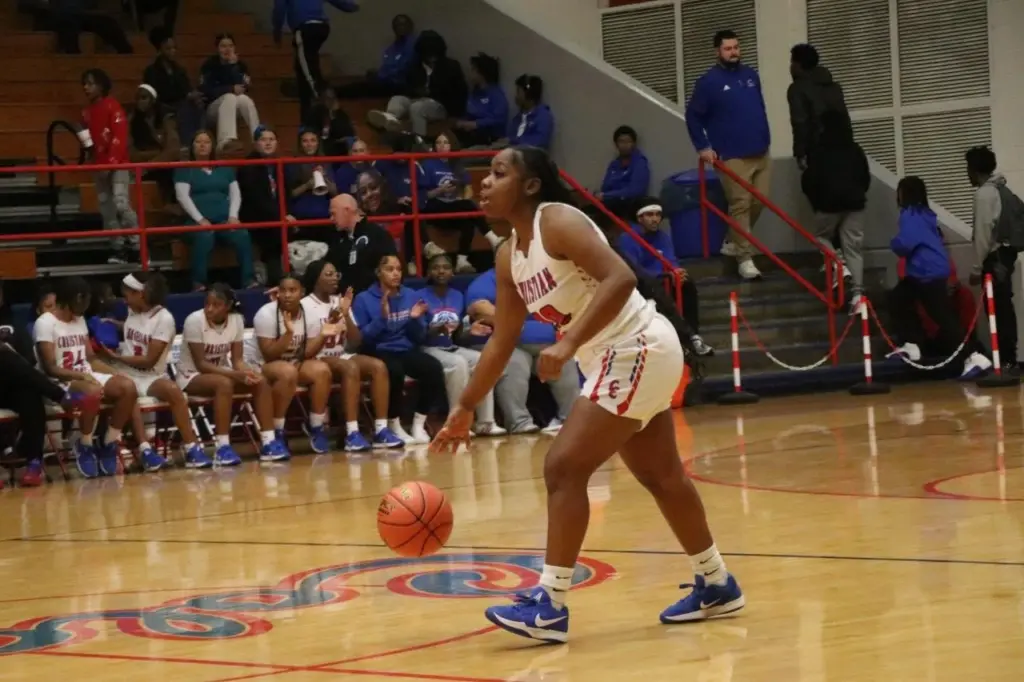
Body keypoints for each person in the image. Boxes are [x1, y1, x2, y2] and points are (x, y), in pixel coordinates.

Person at [431, 146, 744, 642]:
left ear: (530, 185)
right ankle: (717, 582)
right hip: (612, 356)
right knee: (662, 476)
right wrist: (465, 406)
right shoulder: (510, 255)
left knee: (563, 468)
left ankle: (551, 605)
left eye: (498, 173)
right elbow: (502, 339)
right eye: (486, 174)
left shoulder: (557, 221)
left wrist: (568, 341)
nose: (484, 182)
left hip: (636, 344)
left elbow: (621, 277)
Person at [96, 272, 210, 470]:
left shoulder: (164, 319)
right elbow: (137, 329)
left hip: (150, 374)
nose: (124, 300)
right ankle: (145, 450)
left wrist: (116, 357)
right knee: (128, 390)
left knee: (174, 392)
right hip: (126, 372)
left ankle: (192, 448)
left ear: (141, 294)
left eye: (127, 295)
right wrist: (116, 325)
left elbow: (149, 361)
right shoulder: (133, 310)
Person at [34, 277, 141, 479]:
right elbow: (50, 368)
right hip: (59, 382)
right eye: (83, 300)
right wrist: (81, 375)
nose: (85, 306)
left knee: (128, 387)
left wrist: (114, 373)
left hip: (84, 374)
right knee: (92, 391)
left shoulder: (80, 320)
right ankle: (84, 444)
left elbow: (90, 359)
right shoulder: (45, 322)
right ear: (71, 298)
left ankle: (109, 442)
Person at [685, 30, 771, 281]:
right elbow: (693, 116)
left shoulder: (751, 75)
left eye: (736, 47)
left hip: (761, 151)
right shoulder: (708, 82)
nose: (734, 52)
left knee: (760, 201)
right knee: (740, 204)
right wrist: (703, 146)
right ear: (717, 52)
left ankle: (733, 240)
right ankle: (745, 259)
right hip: (732, 154)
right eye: (728, 48)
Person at [888, 176, 991, 378]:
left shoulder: (909, 214)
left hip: (926, 272)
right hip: (930, 270)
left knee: (942, 317)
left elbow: (906, 243)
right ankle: (912, 343)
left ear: (904, 194)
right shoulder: (926, 214)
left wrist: (894, 243)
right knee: (899, 298)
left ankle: (973, 355)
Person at [175, 284, 288, 464]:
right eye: (207, 304)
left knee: (260, 381)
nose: (209, 308)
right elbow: (201, 364)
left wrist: (247, 372)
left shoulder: (236, 320)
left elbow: (237, 360)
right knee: (224, 384)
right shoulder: (194, 320)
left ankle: (269, 442)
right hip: (191, 375)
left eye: (216, 305)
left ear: (228, 306)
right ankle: (222, 447)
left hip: (221, 373)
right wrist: (235, 375)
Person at [0, 281, 97, 488]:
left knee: (30, 394)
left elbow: (28, 359)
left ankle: (34, 463)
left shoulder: (13, 325)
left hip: (10, 384)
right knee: (4, 355)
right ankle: (60, 395)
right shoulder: (42, 324)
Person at [301, 259, 405, 451]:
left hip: (341, 354)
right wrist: (331, 322)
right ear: (315, 279)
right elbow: (304, 349)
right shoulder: (304, 305)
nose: (335, 278)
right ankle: (352, 432)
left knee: (378, 366)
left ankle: (381, 430)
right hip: (316, 358)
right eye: (329, 274)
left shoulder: (340, 301)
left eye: (336, 274)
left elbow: (356, 341)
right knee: (350, 367)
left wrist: (346, 314)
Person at [465, 267, 579, 434]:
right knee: (514, 362)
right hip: (509, 344)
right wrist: (514, 324)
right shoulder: (487, 281)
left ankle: (570, 419)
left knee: (563, 360)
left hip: (547, 343)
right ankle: (519, 422)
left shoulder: (539, 277)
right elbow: (479, 308)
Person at [352, 254, 448, 444]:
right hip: (377, 349)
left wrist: (414, 319)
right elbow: (363, 339)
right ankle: (393, 423)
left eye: (398, 269)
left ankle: (418, 424)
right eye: (390, 269)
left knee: (433, 368)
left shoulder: (411, 295)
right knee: (394, 371)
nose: (395, 274)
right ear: (378, 273)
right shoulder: (363, 299)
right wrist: (382, 318)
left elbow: (419, 337)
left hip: (404, 348)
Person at [245, 274, 334, 454]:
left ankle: (316, 426)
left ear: (302, 292)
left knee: (322, 370)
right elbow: (269, 355)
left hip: (290, 363)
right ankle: (277, 430)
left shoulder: (310, 313)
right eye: (283, 290)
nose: (287, 295)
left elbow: (307, 353)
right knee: (287, 372)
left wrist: (323, 335)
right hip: (259, 365)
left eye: (292, 290)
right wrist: (288, 334)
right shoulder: (266, 314)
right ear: (277, 293)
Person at [419, 254, 505, 436]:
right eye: (436, 267)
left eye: (446, 267)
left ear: (453, 272)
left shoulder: (457, 296)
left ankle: (486, 422)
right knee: (458, 363)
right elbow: (417, 335)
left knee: (483, 359)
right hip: (428, 348)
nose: (441, 271)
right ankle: (456, 423)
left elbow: (457, 336)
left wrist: (469, 331)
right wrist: (435, 329)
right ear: (428, 272)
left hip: (451, 347)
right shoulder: (419, 297)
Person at [618, 201, 712, 356]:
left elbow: (670, 259)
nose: (655, 219)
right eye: (649, 215)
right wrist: (662, 275)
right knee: (657, 289)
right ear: (639, 218)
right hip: (643, 284)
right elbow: (634, 268)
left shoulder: (663, 236)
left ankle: (694, 336)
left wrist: (676, 272)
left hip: (664, 278)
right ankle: (680, 338)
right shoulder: (628, 238)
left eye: (658, 215)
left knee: (687, 284)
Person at [800, 110, 869, 312]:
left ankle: (839, 264)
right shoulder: (855, 149)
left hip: (828, 204)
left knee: (821, 237)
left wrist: (817, 202)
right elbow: (865, 177)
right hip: (855, 203)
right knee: (854, 248)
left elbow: (810, 181)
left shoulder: (819, 151)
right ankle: (858, 296)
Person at [174, 130, 256, 291]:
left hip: (223, 220)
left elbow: (235, 194)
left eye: (206, 142)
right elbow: (182, 196)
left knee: (242, 234)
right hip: (195, 223)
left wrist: (233, 216)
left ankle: (249, 280)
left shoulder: (224, 169)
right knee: (204, 236)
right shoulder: (185, 169)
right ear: (192, 146)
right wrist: (200, 220)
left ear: (212, 146)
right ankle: (199, 282)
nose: (202, 145)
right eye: (198, 142)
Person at [966, 145, 1020, 371]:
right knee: (1004, 307)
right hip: (1005, 256)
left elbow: (983, 233)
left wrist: (976, 268)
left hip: (994, 258)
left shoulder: (984, 194)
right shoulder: (1001, 189)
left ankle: (1005, 360)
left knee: (997, 310)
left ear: (974, 169)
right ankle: (1009, 358)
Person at [81, 68, 140, 266]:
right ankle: (118, 248)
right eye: (85, 84)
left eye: (91, 83)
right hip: (98, 167)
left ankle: (137, 246)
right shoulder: (86, 112)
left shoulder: (113, 106)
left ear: (101, 85)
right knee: (107, 208)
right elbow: (89, 142)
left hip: (118, 164)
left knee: (121, 203)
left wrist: (110, 163)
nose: (86, 87)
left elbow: (120, 137)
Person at [417, 131, 498, 273]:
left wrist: (462, 198)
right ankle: (492, 238)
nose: (442, 146)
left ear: (451, 145)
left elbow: (468, 189)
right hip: (434, 206)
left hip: (452, 206)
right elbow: (424, 196)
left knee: (468, 218)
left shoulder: (456, 165)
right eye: (438, 143)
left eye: (445, 143)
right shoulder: (428, 164)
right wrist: (440, 190)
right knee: (466, 208)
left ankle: (462, 260)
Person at [271, 0, 360, 122]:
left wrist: (277, 33)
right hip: (321, 27)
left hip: (305, 27)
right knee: (304, 66)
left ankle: (328, 105)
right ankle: (306, 111)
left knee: (308, 72)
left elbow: (279, 10)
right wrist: (352, 7)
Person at [368, 30, 467, 137]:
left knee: (417, 108)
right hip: (417, 99)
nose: (432, 58)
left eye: (434, 54)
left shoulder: (451, 66)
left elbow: (460, 92)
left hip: (440, 105)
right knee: (397, 100)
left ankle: (419, 140)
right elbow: (406, 88)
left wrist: (432, 92)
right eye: (428, 55)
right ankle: (390, 119)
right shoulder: (414, 67)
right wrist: (416, 91)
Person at [238, 125, 294, 285]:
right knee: (275, 235)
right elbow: (256, 200)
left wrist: (287, 214)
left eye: (271, 139)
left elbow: (287, 194)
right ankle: (276, 280)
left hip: (277, 217)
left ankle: (288, 277)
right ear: (255, 144)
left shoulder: (279, 164)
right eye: (263, 140)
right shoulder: (248, 167)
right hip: (256, 218)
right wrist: (281, 216)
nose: (268, 143)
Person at [787, 43, 849, 170]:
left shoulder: (797, 89)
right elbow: (845, 118)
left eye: (792, 62)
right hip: (843, 148)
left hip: (817, 151)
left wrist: (800, 153)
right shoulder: (834, 87)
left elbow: (800, 123)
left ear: (798, 65)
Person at [324, 193, 399, 293]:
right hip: (344, 298)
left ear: (347, 211)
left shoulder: (377, 235)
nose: (331, 219)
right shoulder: (337, 241)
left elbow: (392, 268)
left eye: (333, 214)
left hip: (374, 297)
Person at [143, 27, 205, 144]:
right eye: (168, 49)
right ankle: (187, 143)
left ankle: (199, 139)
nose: (172, 51)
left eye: (174, 48)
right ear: (160, 50)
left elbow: (187, 88)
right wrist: (186, 95)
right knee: (185, 107)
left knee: (197, 104)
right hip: (163, 106)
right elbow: (156, 95)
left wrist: (193, 94)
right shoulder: (151, 71)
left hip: (182, 103)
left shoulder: (179, 69)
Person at [333, 14, 416, 100]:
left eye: (403, 24)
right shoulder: (391, 48)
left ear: (410, 26)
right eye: (397, 25)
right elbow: (386, 67)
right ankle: (332, 92)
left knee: (360, 89)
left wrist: (381, 75)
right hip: (385, 82)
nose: (400, 28)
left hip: (399, 86)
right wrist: (377, 74)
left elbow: (403, 70)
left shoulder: (412, 46)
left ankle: (333, 93)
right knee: (358, 84)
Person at [200, 33, 260, 149]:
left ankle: (257, 137)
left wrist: (233, 67)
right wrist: (230, 89)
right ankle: (226, 141)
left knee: (245, 99)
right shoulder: (210, 65)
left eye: (230, 46)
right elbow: (207, 91)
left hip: (233, 107)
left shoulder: (239, 65)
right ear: (217, 49)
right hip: (212, 109)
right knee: (230, 97)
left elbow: (243, 87)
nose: (227, 49)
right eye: (223, 46)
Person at [129, 84, 180, 206]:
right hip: (146, 168)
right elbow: (131, 154)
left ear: (153, 100)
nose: (140, 102)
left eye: (144, 98)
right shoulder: (132, 120)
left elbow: (173, 151)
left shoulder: (167, 117)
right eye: (138, 98)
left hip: (161, 167)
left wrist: (148, 165)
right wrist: (158, 154)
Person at [454, 53, 508, 149]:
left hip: (490, 140)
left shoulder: (496, 94)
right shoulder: (474, 93)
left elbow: (499, 120)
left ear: (482, 73)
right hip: (470, 136)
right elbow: (469, 113)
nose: (470, 73)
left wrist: (476, 124)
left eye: (473, 70)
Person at [288, 128, 339, 230]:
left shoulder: (326, 162)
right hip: (302, 217)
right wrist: (307, 185)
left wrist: (324, 178)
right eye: (305, 141)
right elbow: (290, 194)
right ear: (300, 144)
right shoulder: (292, 164)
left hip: (325, 216)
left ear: (318, 143)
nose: (309, 144)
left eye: (313, 140)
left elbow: (335, 193)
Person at [598, 126, 650, 219]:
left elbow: (635, 191)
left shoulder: (640, 163)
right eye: (621, 141)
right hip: (610, 205)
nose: (625, 145)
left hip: (629, 207)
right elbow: (605, 187)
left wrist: (607, 195)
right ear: (616, 144)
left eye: (628, 142)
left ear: (634, 144)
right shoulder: (614, 164)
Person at [49, 0, 133, 54]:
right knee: (67, 24)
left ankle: (126, 53)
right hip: (63, 15)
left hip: (86, 13)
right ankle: (73, 57)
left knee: (108, 22)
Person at [303, 85, 356, 158]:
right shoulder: (316, 112)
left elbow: (348, 132)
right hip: (321, 148)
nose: (330, 100)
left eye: (332, 97)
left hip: (339, 151)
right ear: (322, 98)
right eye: (327, 97)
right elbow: (311, 131)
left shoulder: (340, 114)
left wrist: (335, 112)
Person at [505, 75, 553, 150]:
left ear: (528, 94)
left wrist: (513, 141)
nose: (516, 96)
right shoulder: (517, 118)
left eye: (518, 92)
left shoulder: (543, 116)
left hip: (530, 156)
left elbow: (539, 141)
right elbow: (509, 137)